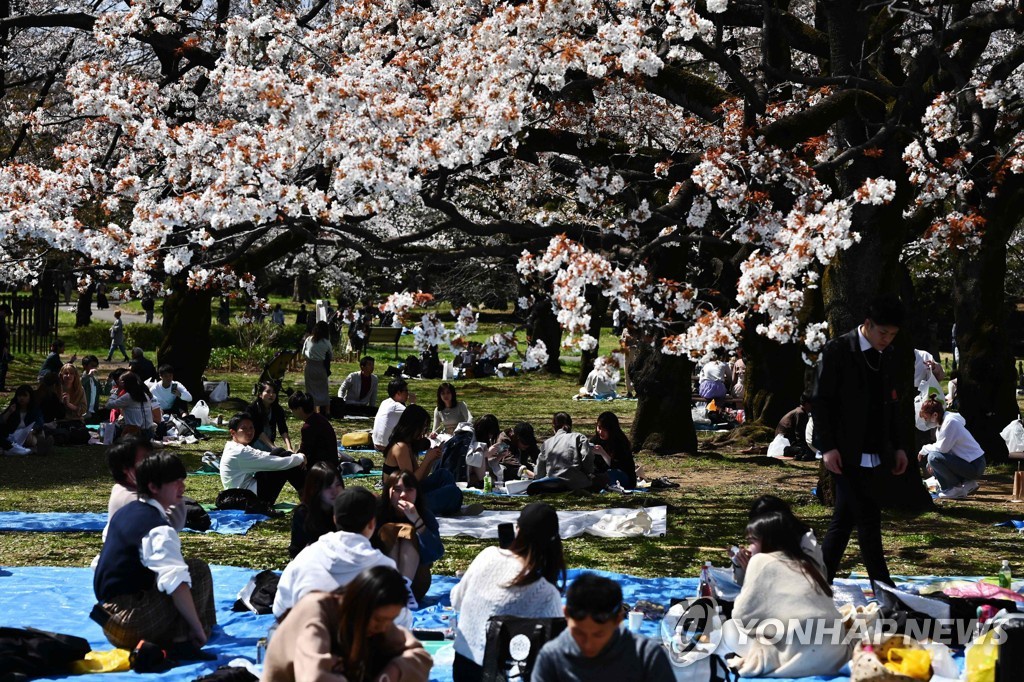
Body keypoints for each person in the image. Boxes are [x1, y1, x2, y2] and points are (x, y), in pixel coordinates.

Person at [811, 294, 909, 586]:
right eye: (882, 333)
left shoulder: (887, 354)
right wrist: (827, 446)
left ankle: (818, 583)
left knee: (844, 521)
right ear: (867, 324)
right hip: (844, 447)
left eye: (892, 335)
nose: (887, 340)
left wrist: (899, 445)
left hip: (876, 449)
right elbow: (821, 401)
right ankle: (883, 585)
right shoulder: (838, 350)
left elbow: (892, 405)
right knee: (868, 518)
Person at [92, 452, 216, 657]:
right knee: (196, 571)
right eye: (175, 483)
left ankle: (182, 634)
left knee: (177, 574)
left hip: (108, 620)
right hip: (130, 623)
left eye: (182, 481)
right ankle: (186, 639)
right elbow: (177, 584)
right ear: (153, 487)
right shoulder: (157, 529)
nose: (182, 488)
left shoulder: (126, 512)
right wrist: (197, 628)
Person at [722, 512, 849, 678]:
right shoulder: (807, 561)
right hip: (834, 654)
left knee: (729, 628)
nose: (749, 548)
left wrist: (748, 574)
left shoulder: (760, 560)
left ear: (767, 542)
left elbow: (742, 616)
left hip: (796, 653)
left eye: (752, 542)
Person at [451, 502, 566, 681]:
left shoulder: (487, 555)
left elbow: (457, 601)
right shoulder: (545, 592)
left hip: (463, 667)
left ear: (517, 529)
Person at [261, 566, 432, 682]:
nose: (383, 628)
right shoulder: (316, 613)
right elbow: (314, 677)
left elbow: (419, 655)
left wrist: (392, 673)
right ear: (359, 604)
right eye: (379, 620)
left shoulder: (374, 621)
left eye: (389, 620)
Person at [273, 487, 397, 619]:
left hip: (308, 634)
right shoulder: (385, 567)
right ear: (372, 523)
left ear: (335, 519)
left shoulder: (305, 557)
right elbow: (399, 619)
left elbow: (280, 609)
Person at [532, 573, 673, 682]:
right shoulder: (552, 657)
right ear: (566, 614)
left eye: (598, 635)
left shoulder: (645, 656)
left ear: (618, 619)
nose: (588, 645)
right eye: (578, 633)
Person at [382, 404, 463, 517]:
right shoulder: (400, 447)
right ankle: (450, 504)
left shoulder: (408, 445)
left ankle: (450, 505)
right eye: (423, 427)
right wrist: (427, 459)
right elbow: (411, 482)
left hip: (410, 493)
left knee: (444, 475)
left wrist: (431, 460)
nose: (424, 432)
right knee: (453, 492)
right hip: (400, 503)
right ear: (413, 425)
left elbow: (419, 479)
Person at [374, 471, 444, 601]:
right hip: (381, 583)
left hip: (416, 583)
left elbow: (436, 553)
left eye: (409, 490)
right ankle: (393, 587)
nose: (403, 495)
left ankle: (404, 588)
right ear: (387, 491)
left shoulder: (425, 515)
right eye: (397, 490)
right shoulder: (377, 513)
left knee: (408, 530)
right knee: (389, 529)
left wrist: (417, 521)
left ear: (417, 492)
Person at [731, 495, 825, 586]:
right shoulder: (768, 545)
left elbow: (795, 590)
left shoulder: (807, 547)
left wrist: (755, 572)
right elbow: (742, 584)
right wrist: (740, 564)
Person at [103, 436, 186, 535]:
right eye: (144, 460)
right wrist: (173, 492)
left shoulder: (132, 488)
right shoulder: (129, 499)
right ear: (125, 468)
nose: (151, 462)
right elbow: (171, 524)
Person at [220, 412, 306, 506]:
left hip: (247, 491)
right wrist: (300, 458)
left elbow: (263, 455)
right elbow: (275, 463)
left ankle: (306, 493)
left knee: (280, 452)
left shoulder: (235, 446)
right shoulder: (239, 452)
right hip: (248, 499)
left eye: (251, 428)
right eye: (244, 429)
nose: (249, 432)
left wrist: (292, 456)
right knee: (283, 461)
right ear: (233, 432)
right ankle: (307, 495)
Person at [918, 396, 985, 499]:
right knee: (930, 464)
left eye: (926, 418)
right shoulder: (942, 424)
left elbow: (942, 449)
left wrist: (924, 449)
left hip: (975, 465)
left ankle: (954, 489)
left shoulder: (950, 422)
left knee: (933, 458)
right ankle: (967, 483)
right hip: (970, 463)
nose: (926, 421)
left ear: (935, 415)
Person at [289, 462, 343, 558]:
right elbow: (296, 550)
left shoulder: (345, 508)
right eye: (327, 487)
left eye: (338, 485)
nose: (335, 491)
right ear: (315, 489)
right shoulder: (304, 513)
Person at [534, 412, 595, 492]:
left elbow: (539, 472)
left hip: (552, 483)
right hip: (576, 483)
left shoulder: (547, 443)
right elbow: (587, 457)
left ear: (554, 427)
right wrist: (588, 472)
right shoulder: (579, 437)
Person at [288, 390, 340, 471]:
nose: (292, 412)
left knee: (288, 466)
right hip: (331, 465)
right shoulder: (320, 418)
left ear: (299, 409)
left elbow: (304, 453)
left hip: (321, 469)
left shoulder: (308, 427)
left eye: (292, 409)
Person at [591, 411, 637, 489]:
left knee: (610, 474)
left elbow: (619, 466)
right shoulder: (596, 440)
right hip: (602, 474)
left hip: (622, 476)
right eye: (599, 427)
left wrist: (603, 453)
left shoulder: (621, 442)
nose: (601, 432)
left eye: (605, 430)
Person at [107, 371, 157, 439]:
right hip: (149, 432)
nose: (118, 383)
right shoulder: (144, 395)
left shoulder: (129, 396)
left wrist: (116, 393)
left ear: (125, 383)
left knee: (114, 426)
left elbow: (109, 405)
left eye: (120, 381)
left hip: (135, 434)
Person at [247, 380, 293, 452]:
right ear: (260, 394)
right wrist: (273, 447)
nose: (271, 395)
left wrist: (289, 448)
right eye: (268, 392)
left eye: (274, 392)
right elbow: (258, 431)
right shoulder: (252, 409)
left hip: (268, 446)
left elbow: (283, 429)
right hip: (252, 446)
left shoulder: (277, 409)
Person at [302, 320, 334, 418]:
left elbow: (303, 353)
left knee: (310, 390)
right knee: (323, 388)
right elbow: (331, 356)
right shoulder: (326, 342)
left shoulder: (309, 339)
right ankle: (327, 411)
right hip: (321, 367)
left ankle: (314, 411)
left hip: (310, 366)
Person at [0, 385, 43, 455]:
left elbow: (39, 422)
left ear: (30, 397)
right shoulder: (13, 407)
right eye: (19, 396)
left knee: (33, 438)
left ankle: (38, 447)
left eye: (25, 396)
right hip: (12, 435)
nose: (21, 398)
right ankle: (32, 449)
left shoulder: (34, 410)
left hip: (28, 434)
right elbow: (2, 421)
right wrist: (9, 412)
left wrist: (32, 431)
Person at [372, 378, 412, 451]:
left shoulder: (384, 402)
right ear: (398, 393)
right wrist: (413, 403)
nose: (408, 393)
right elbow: (417, 416)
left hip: (376, 444)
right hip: (387, 447)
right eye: (406, 391)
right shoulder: (396, 406)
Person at [775, 394, 815, 461]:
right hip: (784, 441)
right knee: (807, 450)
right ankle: (789, 450)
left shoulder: (800, 411)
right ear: (807, 404)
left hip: (786, 439)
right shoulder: (800, 413)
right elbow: (799, 432)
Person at [81, 355, 102, 421]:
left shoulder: (95, 379)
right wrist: (88, 376)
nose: (94, 368)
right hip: (84, 413)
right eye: (92, 365)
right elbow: (79, 385)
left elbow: (103, 392)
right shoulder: (81, 378)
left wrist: (109, 383)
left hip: (93, 411)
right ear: (85, 366)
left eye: (96, 366)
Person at [0, 302, 11, 392]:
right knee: (3, 366)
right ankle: (1, 386)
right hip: (1, 346)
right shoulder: (1, 319)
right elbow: (2, 334)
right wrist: (4, 346)